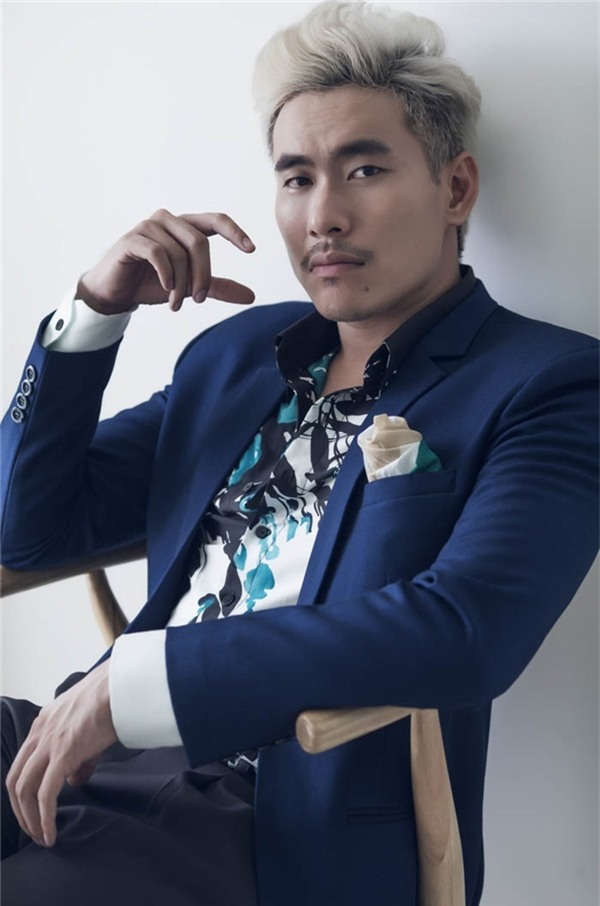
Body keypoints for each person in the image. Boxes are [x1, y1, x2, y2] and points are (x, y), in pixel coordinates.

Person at [1, 2, 598, 904]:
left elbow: (469, 630)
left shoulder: (547, 383)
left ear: (456, 188)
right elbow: (27, 530)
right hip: (88, 741)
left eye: (364, 169)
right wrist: (91, 315)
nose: (325, 216)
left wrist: (140, 685)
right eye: (297, 177)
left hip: (273, 811)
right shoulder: (237, 356)